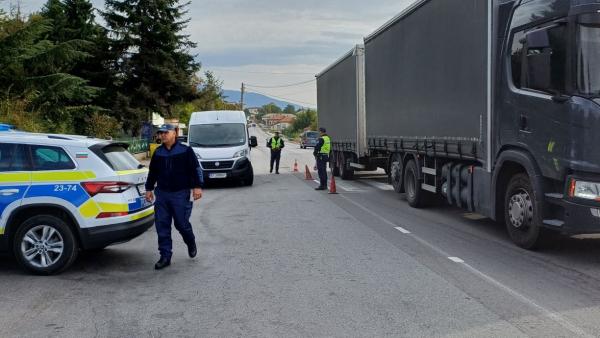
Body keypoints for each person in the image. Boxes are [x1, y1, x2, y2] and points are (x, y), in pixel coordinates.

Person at [145, 124, 203, 270]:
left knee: (181, 224)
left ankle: (190, 241)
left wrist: (197, 187)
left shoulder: (185, 150)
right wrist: (149, 188)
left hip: (180, 193)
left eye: (166, 132)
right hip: (162, 194)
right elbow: (152, 172)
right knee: (162, 226)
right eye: (161, 133)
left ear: (175, 133)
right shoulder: (158, 153)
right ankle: (165, 256)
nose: (163, 135)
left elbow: (195, 169)